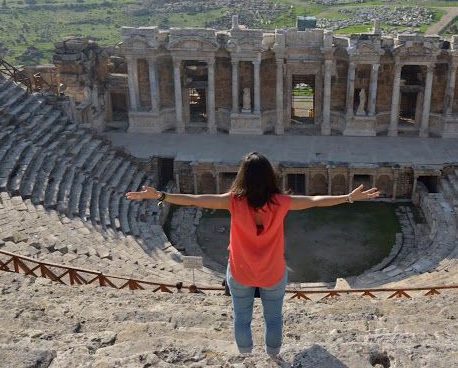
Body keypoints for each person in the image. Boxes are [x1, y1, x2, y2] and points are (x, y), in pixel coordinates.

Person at [125, 151, 379, 357]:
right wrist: (348, 197)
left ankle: (245, 356)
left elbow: (194, 199)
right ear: (269, 176)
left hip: (240, 272)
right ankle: (273, 355)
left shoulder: (234, 201)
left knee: (242, 318)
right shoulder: (281, 202)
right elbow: (314, 201)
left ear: (242, 176)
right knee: (274, 319)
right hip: (271, 272)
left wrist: (160, 195)